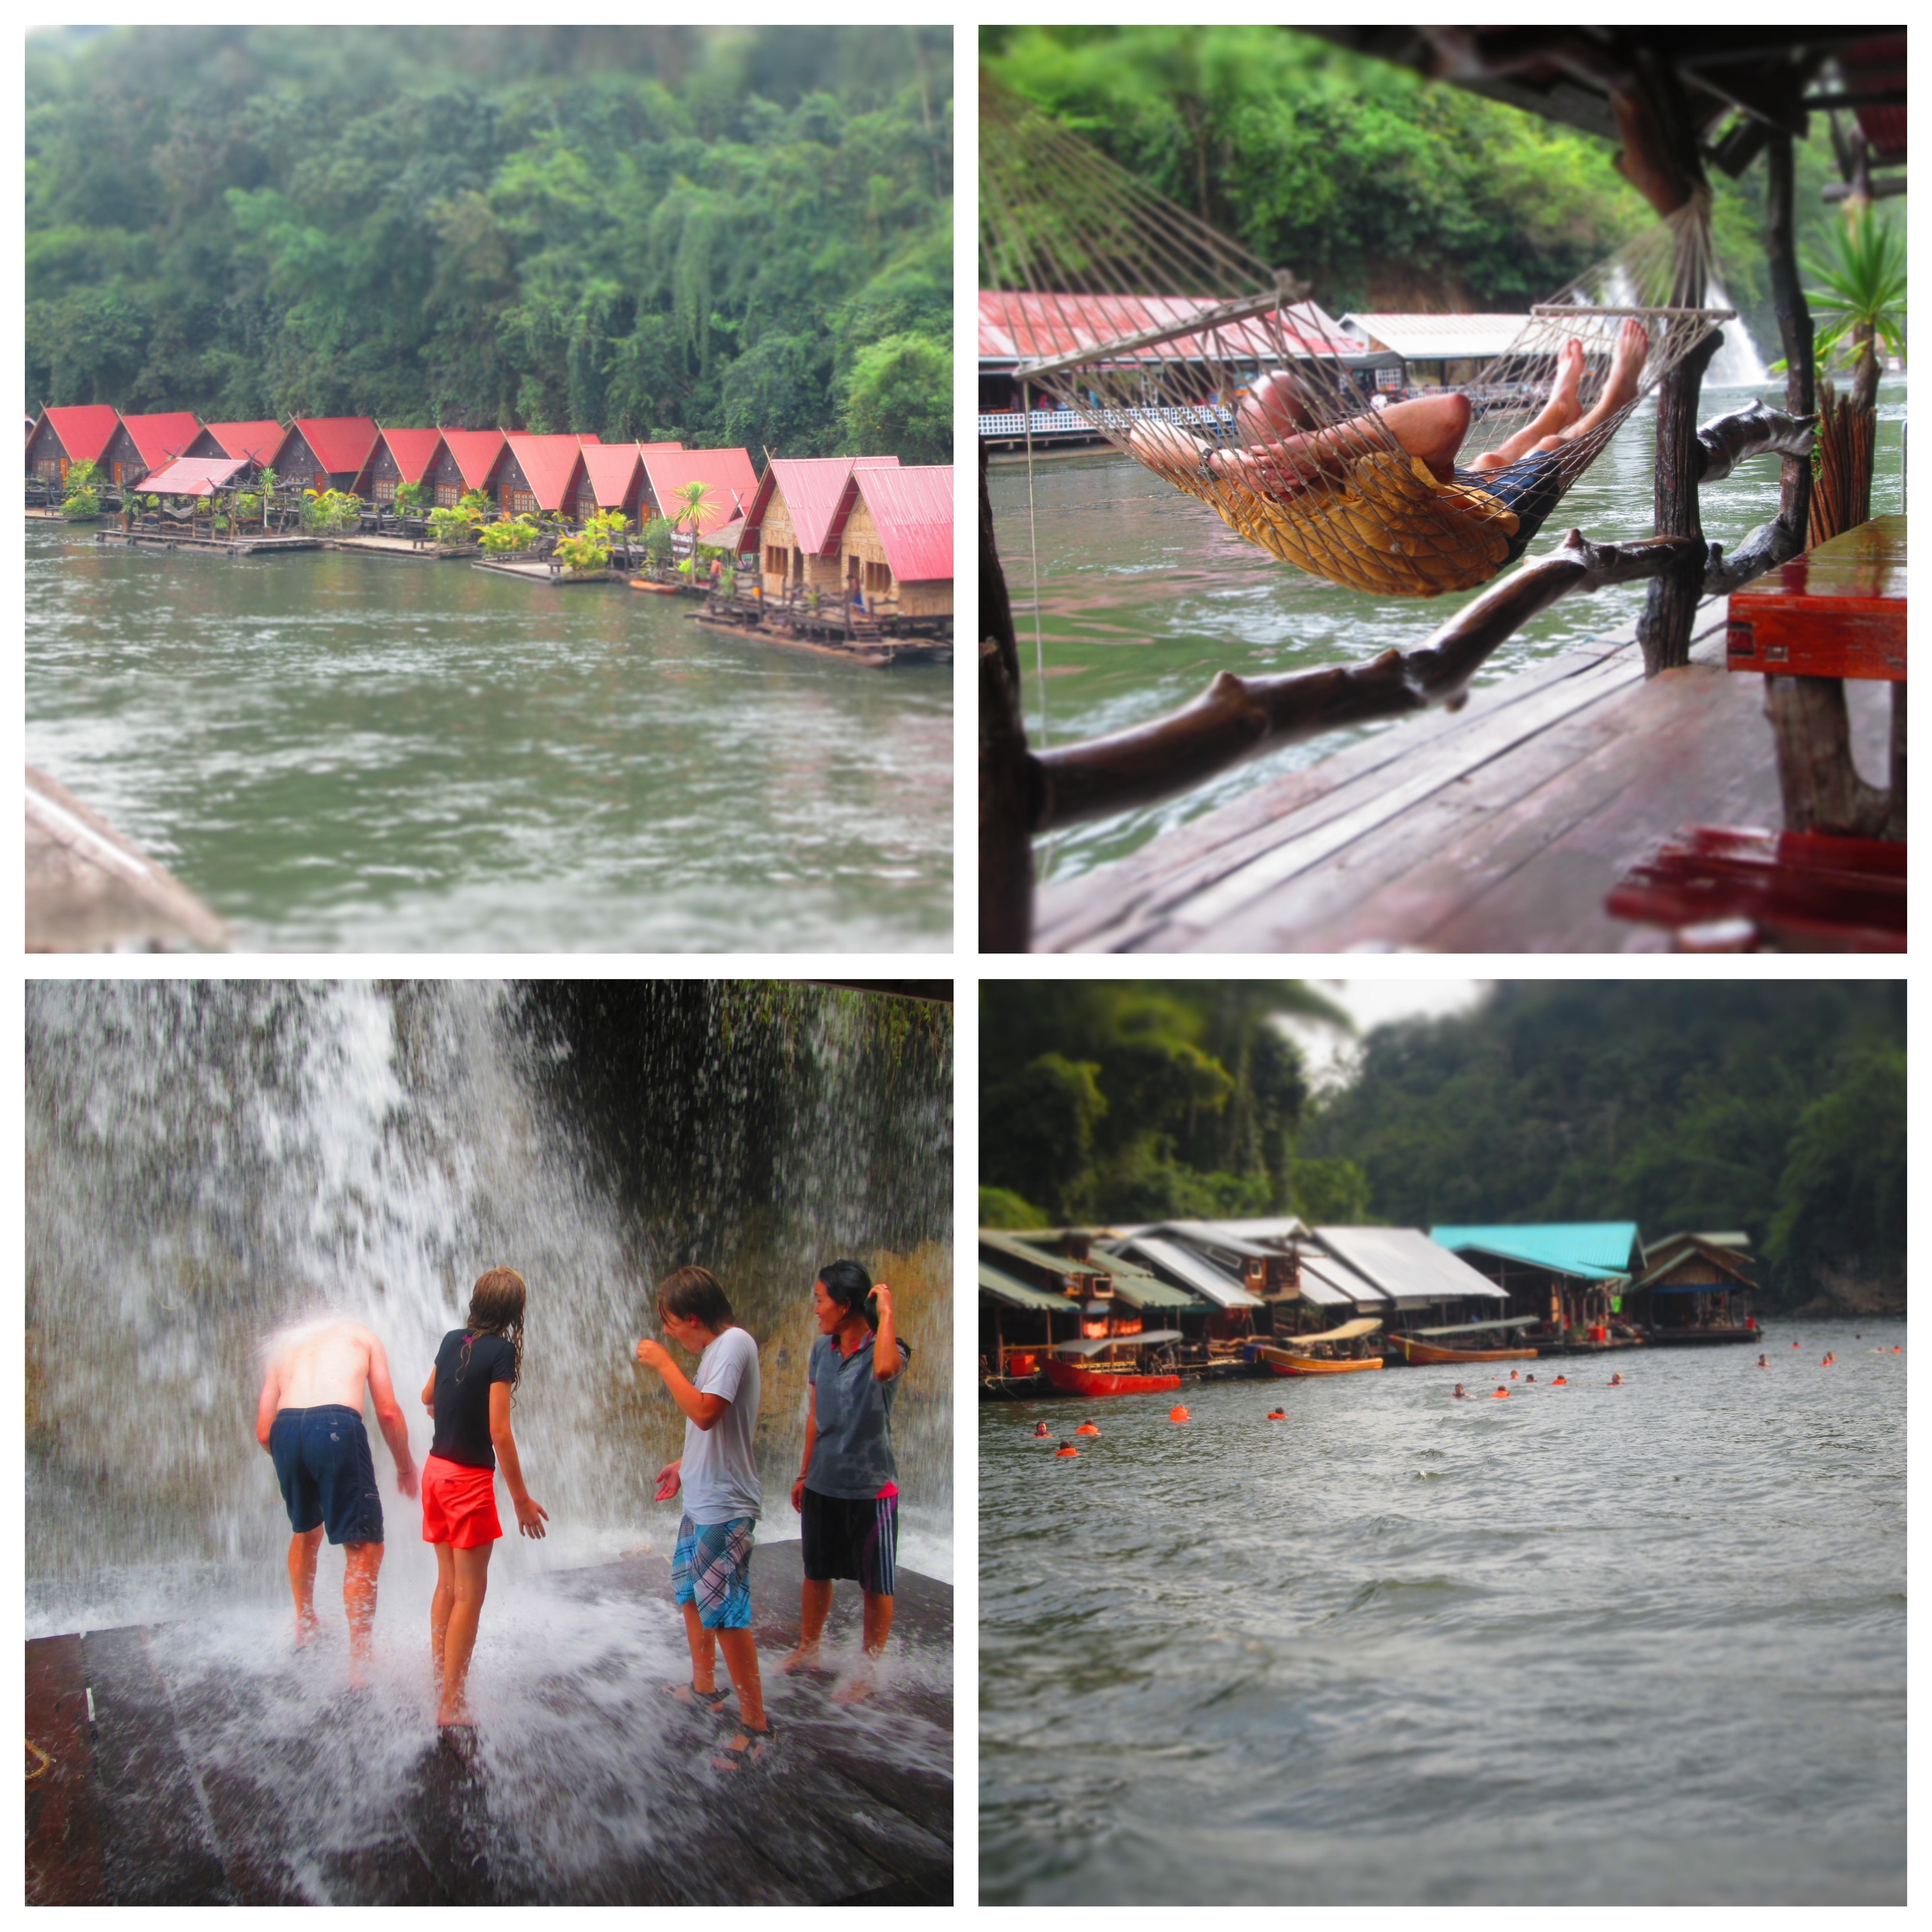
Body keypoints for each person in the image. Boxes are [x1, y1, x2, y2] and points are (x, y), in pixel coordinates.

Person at [1147, 322, 1651, 566]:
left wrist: (1303, 452)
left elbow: (1449, 413)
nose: (1272, 474)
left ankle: (1573, 401)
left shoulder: (1362, 477)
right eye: (1264, 460)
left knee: (1497, 459)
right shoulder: (1246, 485)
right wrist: (1229, 462)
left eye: (1283, 457)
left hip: (1461, 519)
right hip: (1478, 541)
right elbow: (1142, 433)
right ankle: (1607, 396)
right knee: (1548, 449)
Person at [635, 1264, 771, 1767]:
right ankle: (705, 1688)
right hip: (702, 1498)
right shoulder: (718, 1351)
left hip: (726, 1506)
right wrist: (683, 1464)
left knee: (726, 1612)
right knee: (691, 1591)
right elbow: (713, 1426)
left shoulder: (734, 1344)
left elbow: (707, 1412)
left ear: (693, 1318)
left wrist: (664, 1363)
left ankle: (757, 1726)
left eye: (671, 1323)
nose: (668, 1331)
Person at [420, 1267, 548, 1730]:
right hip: (467, 1483)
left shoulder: (452, 1339)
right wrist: (521, 1501)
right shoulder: (501, 1352)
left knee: (447, 1585)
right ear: (515, 1313)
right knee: (470, 1594)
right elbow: (500, 1431)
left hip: (435, 1474)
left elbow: (427, 1396)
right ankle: (452, 1705)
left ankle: (442, 1684)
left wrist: (453, 1412)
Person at [257, 1317, 417, 1682]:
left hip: (285, 1431)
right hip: (336, 1427)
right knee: (364, 1546)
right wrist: (406, 1467)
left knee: (305, 1532)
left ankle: (305, 1623)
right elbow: (388, 1412)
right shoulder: (364, 1336)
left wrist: (296, 1458)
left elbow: (264, 1432)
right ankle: (361, 1661)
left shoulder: (285, 1348)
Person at [783, 1260, 910, 1705]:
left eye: (821, 1300)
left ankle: (869, 1671)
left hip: (871, 1488)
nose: (815, 1308)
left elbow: (885, 1371)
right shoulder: (822, 1349)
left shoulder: (889, 1347)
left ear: (846, 1305)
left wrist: (886, 1314)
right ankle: (809, 1648)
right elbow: (815, 1415)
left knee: (876, 1583)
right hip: (823, 1481)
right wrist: (804, 1473)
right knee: (816, 1571)